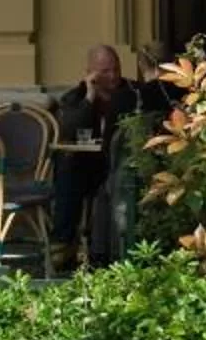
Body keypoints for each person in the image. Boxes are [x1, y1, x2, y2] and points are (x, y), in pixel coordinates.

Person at [50, 43, 147, 267]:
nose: (113, 76)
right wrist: (90, 97)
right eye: (105, 71)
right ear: (90, 73)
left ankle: (103, 250)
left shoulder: (133, 93)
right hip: (90, 166)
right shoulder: (75, 97)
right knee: (67, 169)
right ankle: (62, 244)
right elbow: (69, 131)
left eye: (116, 68)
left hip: (124, 164)